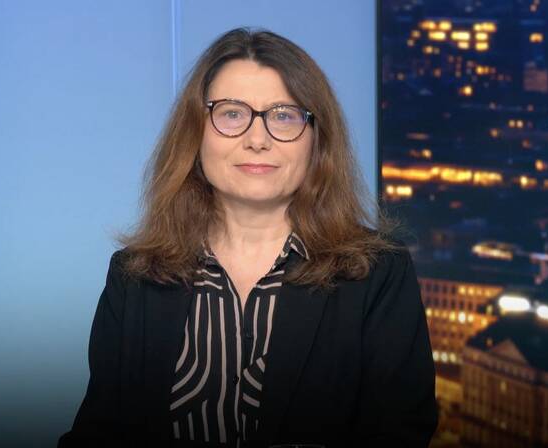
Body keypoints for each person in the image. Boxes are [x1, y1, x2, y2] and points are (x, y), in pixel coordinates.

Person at [58, 28, 438, 448]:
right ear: (195, 134)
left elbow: (400, 432)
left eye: (284, 116)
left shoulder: (378, 273)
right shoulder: (135, 276)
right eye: (232, 114)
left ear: (317, 140)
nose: (257, 140)